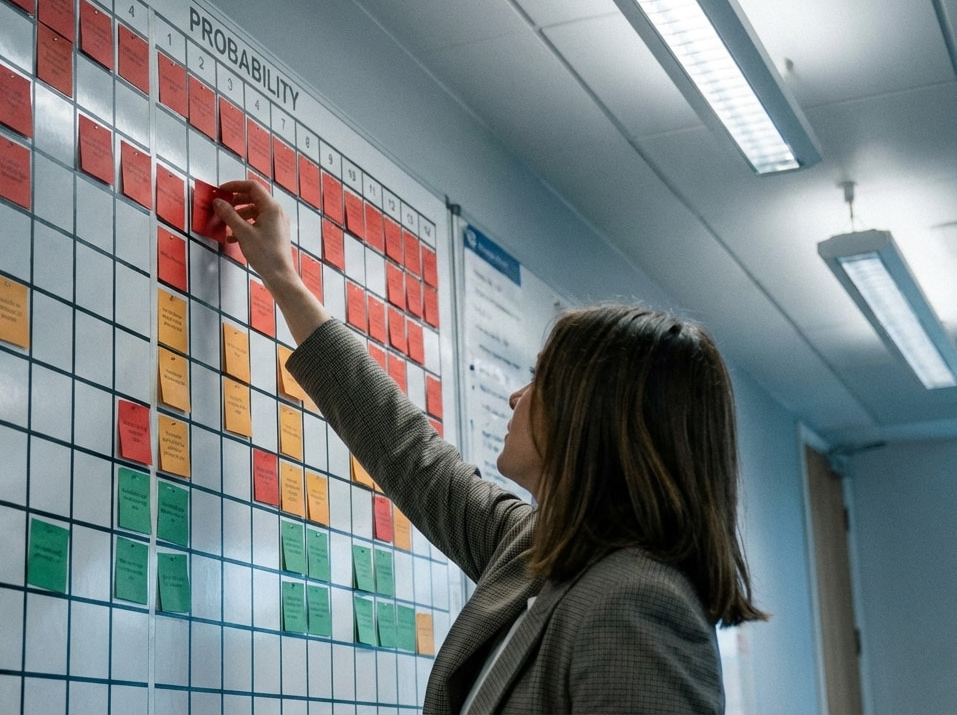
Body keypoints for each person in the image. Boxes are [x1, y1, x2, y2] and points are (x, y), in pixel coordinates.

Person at [212, 179, 766, 714]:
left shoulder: (638, 602)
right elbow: (409, 454)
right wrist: (282, 276)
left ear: (593, 420)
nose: (516, 398)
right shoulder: (536, 548)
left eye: (542, 380)